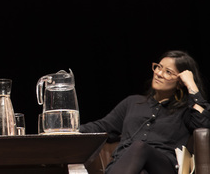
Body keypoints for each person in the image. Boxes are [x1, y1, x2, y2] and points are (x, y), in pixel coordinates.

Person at [79, 50, 210, 174]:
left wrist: (191, 85)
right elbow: (101, 126)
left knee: (140, 147)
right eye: (159, 67)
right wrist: (68, 130)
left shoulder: (185, 110)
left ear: (180, 82)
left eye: (168, 72)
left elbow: (202, 125)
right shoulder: (132, 102)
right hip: (124, 165)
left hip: (162, 167)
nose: (159, 73)